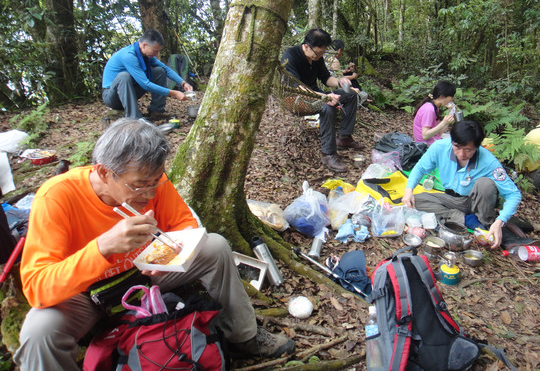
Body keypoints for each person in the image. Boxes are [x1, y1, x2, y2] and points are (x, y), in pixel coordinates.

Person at [15, 119, 294, 370]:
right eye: (139, 185)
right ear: (103, 173)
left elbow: (185, 224)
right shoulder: (57, 197)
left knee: (215, 247)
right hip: (87, 294)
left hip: (144, 276)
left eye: (155, 182)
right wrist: (101, 248)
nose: (149, 194)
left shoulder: (153, 181)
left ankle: (243, 336)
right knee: (39, 332)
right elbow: (37, 286)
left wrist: (166, 257)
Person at [402, 120, 522, 248]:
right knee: (415, 202)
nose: (461, 154)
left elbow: (513, 194)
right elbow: (420, 168)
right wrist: (409, 189)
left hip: (475, 201)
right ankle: (466, 219)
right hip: (451, 198)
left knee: (485, 184)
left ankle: (485, 221)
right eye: (457, 147)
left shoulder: (488, 161)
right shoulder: (439, 148)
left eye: (468, 150)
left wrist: (500, 221)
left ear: (477, 147)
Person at [282, 29, 364, 173]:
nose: (319, 56)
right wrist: (324, 98)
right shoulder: (290, 56)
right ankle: (328, 153)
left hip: (316, 95)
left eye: (322, 53)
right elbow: (297, 88)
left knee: (351, 94)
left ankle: (344, 137)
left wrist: (340, 82)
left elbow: (326, 78)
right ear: (306, 46)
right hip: (295, 99)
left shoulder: (316, 58)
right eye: (318, 53)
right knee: (327, 106)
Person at [102, 30, 193, 119]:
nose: (156, 54)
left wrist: (183, 83)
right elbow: (145, 84)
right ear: (145, 45)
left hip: (131, 91)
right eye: (155, 51)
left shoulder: (146, 55)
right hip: (113, 97)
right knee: (124, 76)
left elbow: (166, 69)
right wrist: (173, 93)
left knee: (159, 71)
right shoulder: (128, 56)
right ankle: (134, 118)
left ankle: (157, 111)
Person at [328, 39, 369, 105]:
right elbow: (339, 78)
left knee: (349, 73)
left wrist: (345, 71)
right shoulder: (334, 60)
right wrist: (353, 77)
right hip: (334, 89)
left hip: (331, 86)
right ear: (339, 50)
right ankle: (359, 98)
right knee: (364, 95)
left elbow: (334, 73)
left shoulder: (326, 58)